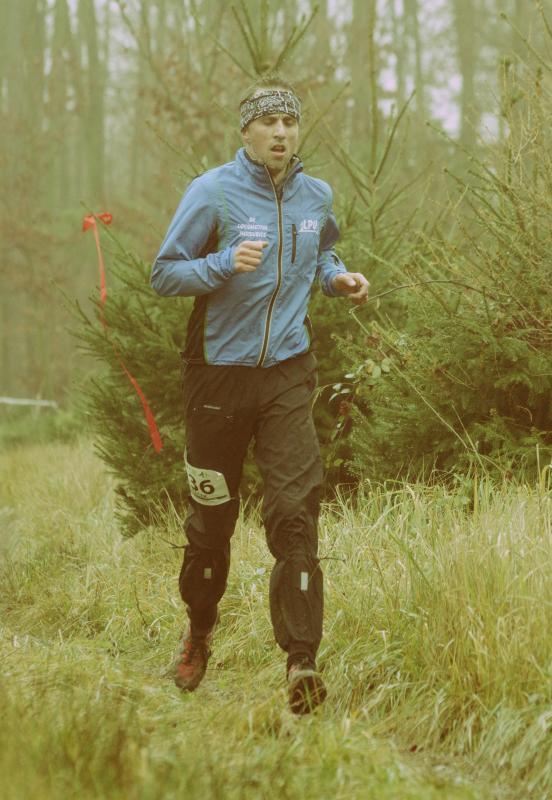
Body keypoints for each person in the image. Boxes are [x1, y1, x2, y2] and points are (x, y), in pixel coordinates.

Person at [151, 74, 369, 714]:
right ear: (245, 131)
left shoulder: (315, 195)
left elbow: (322, 253)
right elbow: (164, 273)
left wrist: (338, 279)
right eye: (268, 123)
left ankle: (302, 660)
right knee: (212, 519)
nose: (280, 133)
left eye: (289, 123)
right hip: (217, 376)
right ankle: (199, 631)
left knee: (295, 510)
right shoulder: (213, 192)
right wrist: (222, 265)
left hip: (286, 373)